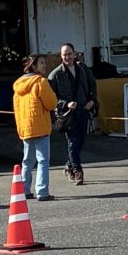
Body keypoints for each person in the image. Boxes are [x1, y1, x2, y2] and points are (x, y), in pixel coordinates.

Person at [48, 43, 96, 187]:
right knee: (73, 142)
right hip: (68, 115)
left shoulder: (83, 69)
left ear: (74, 54)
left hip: (83, 110)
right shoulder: (55, 75)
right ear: (60, 56)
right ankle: (77, 171)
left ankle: (69, 164)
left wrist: (92, 101)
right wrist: (65, 104)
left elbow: (93, 85)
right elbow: (51, 97)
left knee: (81, 141)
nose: (67, 57)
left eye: (69, 54)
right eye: (64, 54)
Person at [12, 55, 57, 203]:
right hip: (40, 127)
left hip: (25, 128)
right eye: (41, 63)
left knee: (27, 161)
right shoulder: (41, 82)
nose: (44, 65)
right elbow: (51, 103)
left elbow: (17, 108)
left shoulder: (18, 85)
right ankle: (42, 191)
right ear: (34, 66)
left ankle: (25, 190)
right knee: (43, 160)